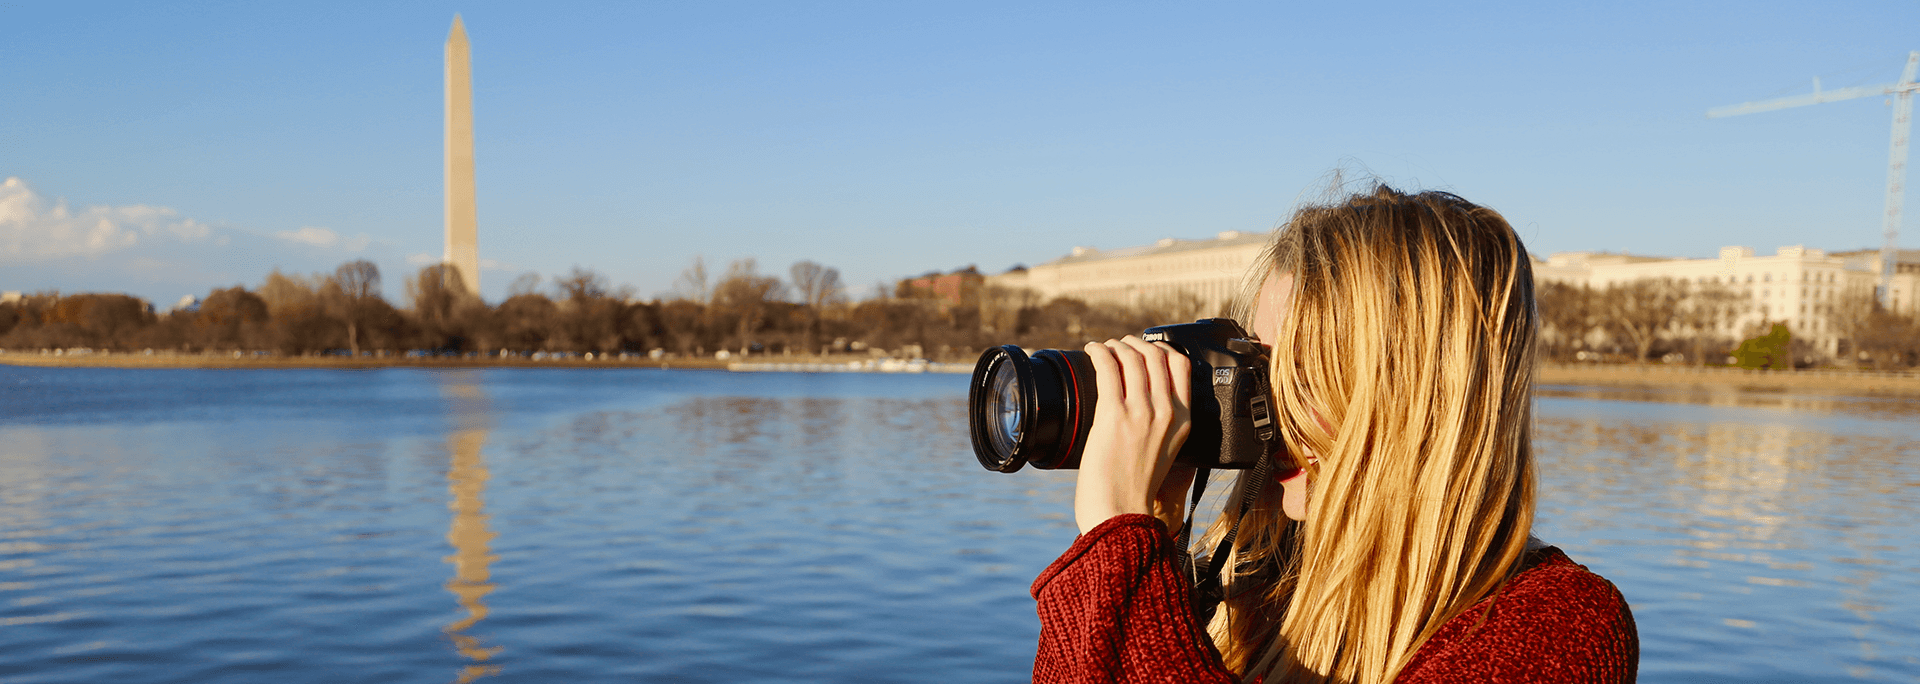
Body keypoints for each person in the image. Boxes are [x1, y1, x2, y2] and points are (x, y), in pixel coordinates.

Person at [1029, 184, 1638, 683]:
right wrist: (1146, 549)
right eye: (1259, 366)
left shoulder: (1555, 627)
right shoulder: (1258, 577)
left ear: (1415, 398)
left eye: (1303, 372)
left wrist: (1116, 547)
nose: (1268, 404)